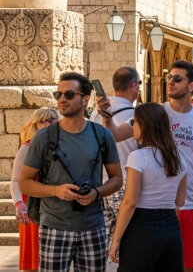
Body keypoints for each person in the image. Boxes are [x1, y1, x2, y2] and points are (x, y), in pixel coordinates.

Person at [99, 60, 193, 271]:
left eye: (177, 78)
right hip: (156, 207)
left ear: (191, 86)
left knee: (186, 266)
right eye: (169, 77)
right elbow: (117, 135)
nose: (170, 81)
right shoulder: (155, 113)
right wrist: (106, 117)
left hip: (191, 204)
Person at [19, 72, 122, 272]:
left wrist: (97, 193)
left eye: (68, 94)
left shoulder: (101, 134)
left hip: (92, 226)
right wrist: (55, 191)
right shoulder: (43, 137)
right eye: (58, 95)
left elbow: (117, 178)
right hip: (54, 227)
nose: (62, 100)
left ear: (85, 99)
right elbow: (24, 182)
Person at [108, 103, 188, 271]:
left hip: (142, 226)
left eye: (133, 122)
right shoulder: (178, 157)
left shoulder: (138, 157)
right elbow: (180, 200)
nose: (132, 126)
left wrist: (116, 238)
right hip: (171, 226)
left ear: (143, 126)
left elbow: (130, 202)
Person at [88, 67, 139, 253]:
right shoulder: (136, 115)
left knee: (105, 243)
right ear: (133, 85)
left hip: (101, 184)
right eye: (139, 84)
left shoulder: (96, 113)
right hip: (127, 183)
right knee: (131, 240)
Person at [11, 108, 59, 272]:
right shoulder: (27, 147)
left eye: (53, 119)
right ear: (36, 124)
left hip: (54, 205)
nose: (49, 123)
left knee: (55, 258)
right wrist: (18, 204)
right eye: (45, 120)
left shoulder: (61, 145)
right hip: (31, 206)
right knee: (33, 259)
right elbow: (15, 180)